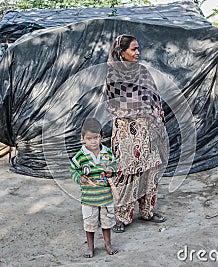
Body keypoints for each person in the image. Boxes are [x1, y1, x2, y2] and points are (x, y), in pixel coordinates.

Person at [106, 34, 168, 233]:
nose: (137, 52)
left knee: (150, 169)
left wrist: (155, 110)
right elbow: (115, 105)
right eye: (133, 49)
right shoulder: (113, 75)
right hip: (126, 131)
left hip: (146, 130)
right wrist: (141, 108)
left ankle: (148, 211)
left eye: (138, 48)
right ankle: (122, 216)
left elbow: (153, 96)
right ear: (121, 52)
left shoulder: (142, 71)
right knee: (126, 172)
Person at [70, 117, 118, 257]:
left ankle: (108, 244)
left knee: (107, 222)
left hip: (105, 197)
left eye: (96, 137)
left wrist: (111, 171)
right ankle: (90, 247)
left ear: (101, 137)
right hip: (89, 198)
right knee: (90, 224)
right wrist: (80, 178)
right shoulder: (80, 156)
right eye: (89, 138)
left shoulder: (107, 153)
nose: (93, 141)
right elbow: (73, 170)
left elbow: (114, 166)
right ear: (83, 138)